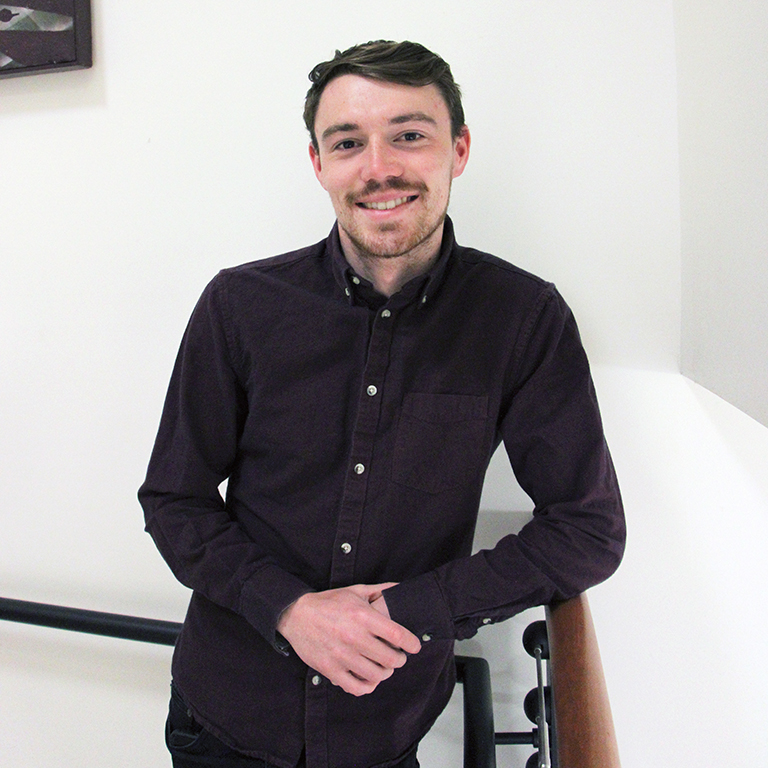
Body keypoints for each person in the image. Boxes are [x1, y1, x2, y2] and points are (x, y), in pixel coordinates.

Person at [139, 40, 625, 768]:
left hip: (384, 729)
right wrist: (290, 609)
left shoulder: (523, 319)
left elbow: (587, 530)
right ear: (318, 164)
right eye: (348, 143)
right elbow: (175, 498)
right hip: (224, 718)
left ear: (457, 149)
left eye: (409, 135)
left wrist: (414, 609)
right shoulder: (239, 306)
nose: (379, 168)